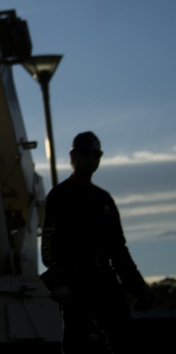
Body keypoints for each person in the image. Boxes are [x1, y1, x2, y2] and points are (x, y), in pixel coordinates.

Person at [41, 131, 152, 353]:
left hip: (104, 278)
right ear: (73, 155)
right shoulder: (60, 195)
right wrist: (59, 280)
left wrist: (138, 287)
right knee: (78, 344)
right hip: (75, 280)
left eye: (96, 153)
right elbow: (48, 242)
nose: (91, 157)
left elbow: (119, 249)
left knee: (125, 339)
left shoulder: (103, 200)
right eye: (85, 152)